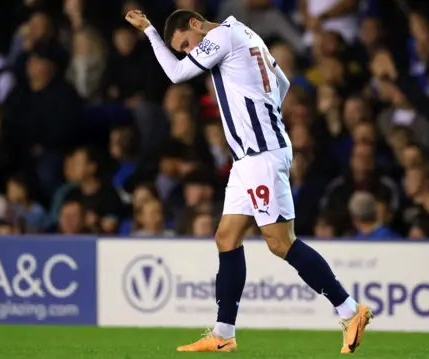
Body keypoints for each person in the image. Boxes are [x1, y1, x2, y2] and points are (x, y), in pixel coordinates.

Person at [125, 9, 372, 354]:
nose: (188, 52)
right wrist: (261, 108)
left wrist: (150, 30)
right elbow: (282, 84)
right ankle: (224, 333)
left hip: (261, 156)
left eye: (186, 43)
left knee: (280, 242)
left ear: (195, 24)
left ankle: (349, 311)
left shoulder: (221, 37)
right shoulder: (246, 35)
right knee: (226, 238)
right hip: (249, 159)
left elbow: (178, 73)